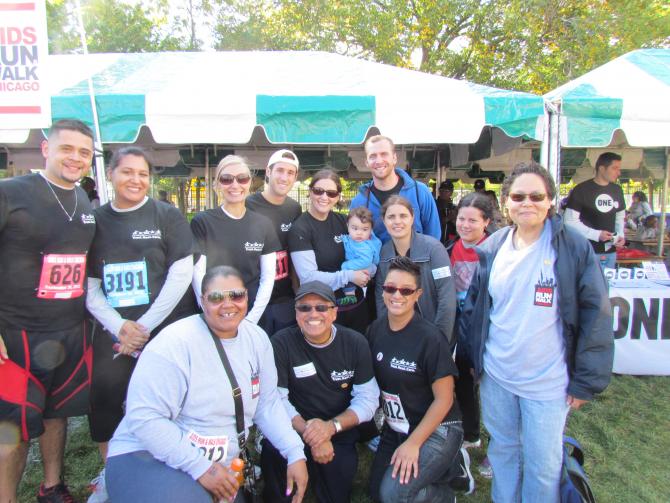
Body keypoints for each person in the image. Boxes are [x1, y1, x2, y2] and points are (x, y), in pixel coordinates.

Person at [459, 161, 614, 503]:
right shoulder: (494, 247)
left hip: (548, 383)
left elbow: (597, 314)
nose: (526, 202)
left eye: (535, 195)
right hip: (497, 378)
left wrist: (586, 380)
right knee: (504, 454)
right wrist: (472, 358)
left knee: (543, 465)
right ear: (506, 203)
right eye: (518, 196)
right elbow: (474, 308)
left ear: (550, 202)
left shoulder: (572, 248)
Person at [105, 266, 308, 503]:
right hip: (147, 454)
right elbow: (145, 417)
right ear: (202, 301)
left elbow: (267, 403)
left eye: (236, 295)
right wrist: (202, 467)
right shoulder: (174, 343)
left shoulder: (257, 339)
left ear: (246, 296)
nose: (228, 304)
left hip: (214, 462)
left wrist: (294, 452)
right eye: (216, 298)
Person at [85, 146, 195, 502]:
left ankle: (172, 463)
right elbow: (89, 286)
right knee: (107, 401)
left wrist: (142, 327)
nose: (135, 179)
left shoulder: (166, 215)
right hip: (113, 333)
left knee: (169, 401)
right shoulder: (94, 220)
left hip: (160, 328)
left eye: (143, 174)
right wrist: (120, 327)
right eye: (127, 172)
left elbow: (181, 274)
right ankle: (110, 473)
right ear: (111, 174)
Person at [0, 119, 97, 503]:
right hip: (17, 334)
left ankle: (52, 486)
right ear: (46, 149)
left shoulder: (86, 204)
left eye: (84, 153)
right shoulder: (11, 192)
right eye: (67, 149)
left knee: (57, 414)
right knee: (14, 426)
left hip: (70, 331)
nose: (75, 158)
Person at [261, 281, 379, 503]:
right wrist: (311, 433)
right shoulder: (280, 343)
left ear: (334, 313)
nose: (312, 313)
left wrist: (330, 428)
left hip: (338, 430)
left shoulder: (355, 343)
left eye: (321, 307)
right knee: (277, 482)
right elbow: (277, 399)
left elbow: (368, 399)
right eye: (304, 308)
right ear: (296, 314)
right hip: (293, 428)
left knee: (336, 489)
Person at [367, 257, 463, 503]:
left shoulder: (430, 339)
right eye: (390, 288)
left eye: (406, 290)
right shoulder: (375, 331)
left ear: (418, 294)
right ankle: (444, 470)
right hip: (396, 426)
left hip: (438, 428)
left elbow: (444, 400)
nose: (396, 295)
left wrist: (413, 444)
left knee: (394, 495)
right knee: (377, 494)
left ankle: (444, 494)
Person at [191, 155, 281, 324]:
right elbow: (198, 275)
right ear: (217, 184)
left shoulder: (263, 224)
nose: (235, 185)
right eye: (226, 179)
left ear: (249, 183)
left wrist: (252, 319)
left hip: (252, 312)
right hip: (215, 311)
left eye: (242, 179)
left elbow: (268, 277)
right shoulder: (202, 222)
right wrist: (210, 312)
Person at [289, 170, 370, 333]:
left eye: (331, 193)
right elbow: (308, 278)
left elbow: (363, 249)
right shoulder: (301, 228)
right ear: (310, 192)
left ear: (338, 196)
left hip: (356, 305)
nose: (324, 197)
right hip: (323, 312)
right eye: (318, 191)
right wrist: (350, 276)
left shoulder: (342, 221)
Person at [447, 193, 494, 476]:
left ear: (486, 222)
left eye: (473, 220)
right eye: (462, 218)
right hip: (460, 329)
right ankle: (472, 434)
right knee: (464, 380)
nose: (465, 225)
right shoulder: (450, 248)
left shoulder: (496, 250)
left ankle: (498, 449)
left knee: (492, 391)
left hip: (488, 330)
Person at [375, 195, 457, 347]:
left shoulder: (434, 249)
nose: (397, 221)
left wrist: (439, 341)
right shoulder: (384, 254)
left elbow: (447, 298)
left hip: (433, 335)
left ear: (412, 218)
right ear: (384, 221)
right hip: (400, 337)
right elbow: (382, 299)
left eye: (403, 216)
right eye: (391, 216)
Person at [246, 149, 302, 334]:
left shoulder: (294, 208)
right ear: (268, 172)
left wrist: (296, 291)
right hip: (252, 298)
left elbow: (294, 253)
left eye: (290, 173)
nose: (284, 177)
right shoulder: (248, 205)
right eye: (279, 170)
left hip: (284, 299)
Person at [350, 135, 440, 244]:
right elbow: (354, 242)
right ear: (367, 162)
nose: (379, 160)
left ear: (394, 158)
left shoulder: (420, 192)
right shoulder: (360, 201)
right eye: (373, 156)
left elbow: (434, 237)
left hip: (416, 260)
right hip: (377, 261)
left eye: (384, 154)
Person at [564, 152, 626, 269]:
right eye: (615, 168)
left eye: (619, 169)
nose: (619, 172)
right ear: (602, 168)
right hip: (586, 251)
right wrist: (596, 234)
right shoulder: (581, 190)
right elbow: (569, 221)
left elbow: (620, 216)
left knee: (608, 285)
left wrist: (620, 235)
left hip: (610, 252)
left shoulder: (617, 190)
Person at [341, 206, 382, 300]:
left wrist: (346, 266)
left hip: (365, 267)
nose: (359, 233)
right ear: (348, 226)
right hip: (359, 265)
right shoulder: (351, 238)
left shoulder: (364, 246)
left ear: (371, 230)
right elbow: (346, 240)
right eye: (355, 228)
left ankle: (350, 296)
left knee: (348, 275)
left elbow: (365, 261)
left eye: (365, 229)